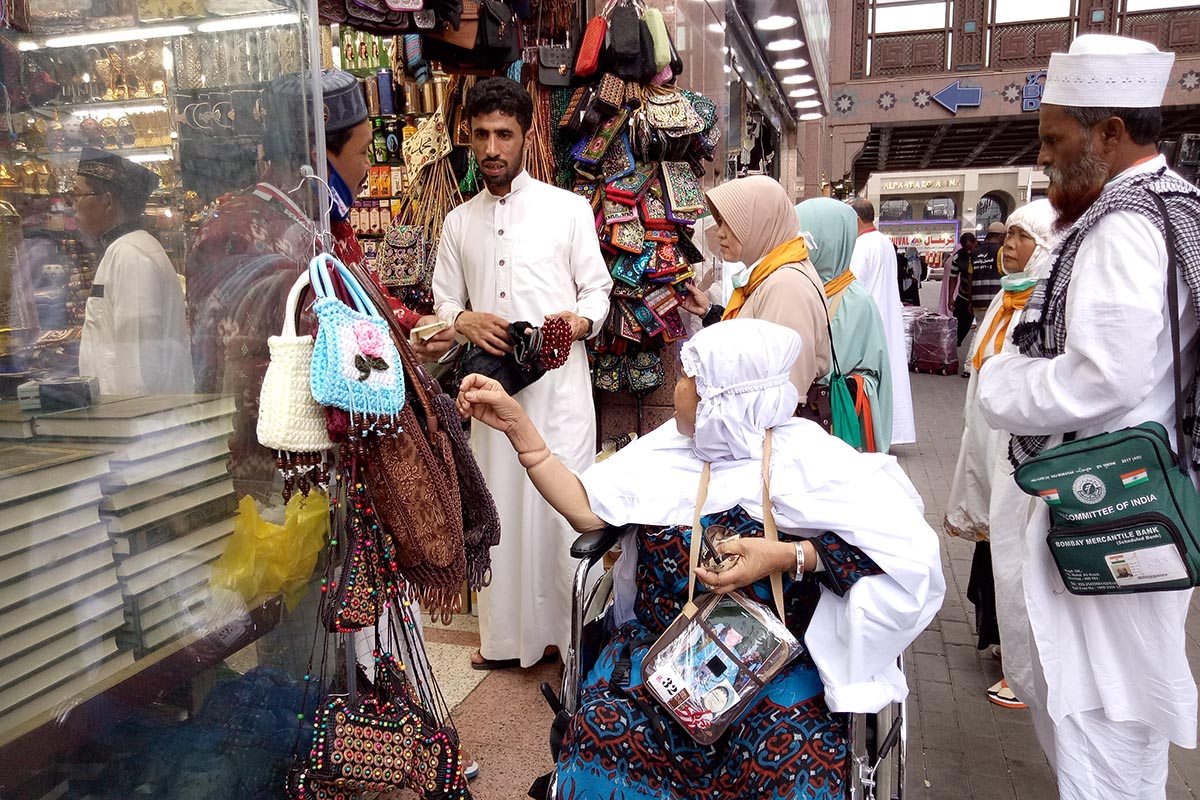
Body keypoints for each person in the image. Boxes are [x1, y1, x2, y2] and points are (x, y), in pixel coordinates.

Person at [455, 318, 945, 799]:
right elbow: (586, 510)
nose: (678, 385)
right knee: (603, 738)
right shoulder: (666, 449)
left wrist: (787, 555)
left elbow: (898, 556)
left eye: (691, 378)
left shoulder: (812, 462)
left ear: (727, 399)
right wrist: (519, 427)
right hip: (658, 652)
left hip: (771, 663)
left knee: (800, 763)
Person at [977, 34, 1200, 799]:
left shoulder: (1124, 224)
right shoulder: (1173, 204)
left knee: (1101, 711)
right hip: (1143, 493)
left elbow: (1106, 375)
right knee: (1117, 710)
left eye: (1054, 139)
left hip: (1109, 502)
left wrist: (1001, 386)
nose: (1043, 158)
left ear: (1109, 132)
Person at [187, 69, 451, 500]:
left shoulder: (319, 225)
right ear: (316, 155)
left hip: (326, 459)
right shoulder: (238, 233)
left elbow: (366, 304)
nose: (368, 168)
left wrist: (420, 328)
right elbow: (237, 368)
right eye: (364, 153)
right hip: (278, 464)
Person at [431, 77, 612, 671]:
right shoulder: (458, 222)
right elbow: (442, 303)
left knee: (561, 516)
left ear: (526, 136)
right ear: (468, 137)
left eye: (503, 134)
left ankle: (572, 640)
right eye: (480, 135)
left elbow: (599, 291)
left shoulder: (568, 210)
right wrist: (464, 320)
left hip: (558, 395)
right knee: (501, 509)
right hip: (491, 395)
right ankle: (506, 642)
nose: (491, 147)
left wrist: (576, 324)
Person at [943, 199, 1061, 710]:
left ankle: (1028, 671)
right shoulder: (1009, 298)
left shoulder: (1044, 303)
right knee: (999, 551)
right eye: (1006, 237)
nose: (1007, 247)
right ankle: (1007, 651)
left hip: (1025, 455)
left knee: (1022, 557)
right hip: (992, 445)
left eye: (1021, 239)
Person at [677, 175, 831, 403]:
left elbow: (784, 392)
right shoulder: (771, 275)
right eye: (720, 223)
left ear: (761, 223)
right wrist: (709, 312)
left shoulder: (786, 286)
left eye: (730, 223)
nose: (720, 233)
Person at [75, 147, 192, 396]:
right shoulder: (126, 249)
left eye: (78, 195)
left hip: (136, 422)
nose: (74, 207)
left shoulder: (131, 255)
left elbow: (138, 367)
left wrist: (126, 428)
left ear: (106, 201)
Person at [796, 198, 893, 453]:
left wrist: (847, 387)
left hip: (832, 433)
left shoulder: (858, 302)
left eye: (805, 236)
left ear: (828, 240)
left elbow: (874, 378)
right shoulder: (792, 288)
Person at [848, 197, 916, 446]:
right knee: (893, 372)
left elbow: (851, 285)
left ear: (856, 220)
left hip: (869, 320)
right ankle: (895, 430)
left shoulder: (860, 246)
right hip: (887, 314)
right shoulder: (885, 242)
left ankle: (874, 430)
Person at [949, 232, 978, 346]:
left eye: (971, 248)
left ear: (976, 243)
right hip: (964, 297)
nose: (969, 252)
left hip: (979, 297)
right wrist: (951, 296)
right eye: (966, 249)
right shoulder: (958, 256)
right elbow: (953, 277)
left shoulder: (983, 253)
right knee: (958, 329)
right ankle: (954, 348)